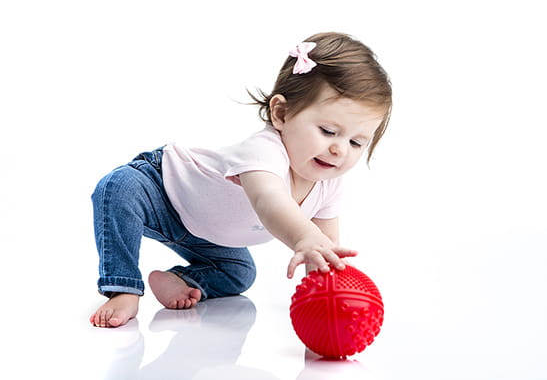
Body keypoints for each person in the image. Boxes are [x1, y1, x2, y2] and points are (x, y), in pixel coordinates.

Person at [90, 32, 392, 328]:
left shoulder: (329, 185)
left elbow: (325, 255)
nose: (340, 150)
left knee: (239, 273)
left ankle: (182, 279)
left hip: (202, 234)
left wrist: (329, 309)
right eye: (328, 131)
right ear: (281, 114)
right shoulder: (264, 151)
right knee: (118, 188)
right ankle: (123, 288)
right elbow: (268, 200)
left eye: (356, 142)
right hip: (161, 191)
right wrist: (304, 236)